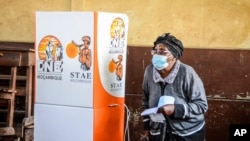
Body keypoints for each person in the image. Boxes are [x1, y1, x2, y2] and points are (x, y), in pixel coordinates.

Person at [141, 33, 208, 141]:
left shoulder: (187, 72)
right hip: (158, 132)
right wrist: (146, 128)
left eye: (162, 52)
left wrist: (176, 109)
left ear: (174, 56)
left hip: (187, 133)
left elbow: (201, 105)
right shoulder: (149, 71)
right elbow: (145, 101)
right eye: (155, 51)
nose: (157, 55)